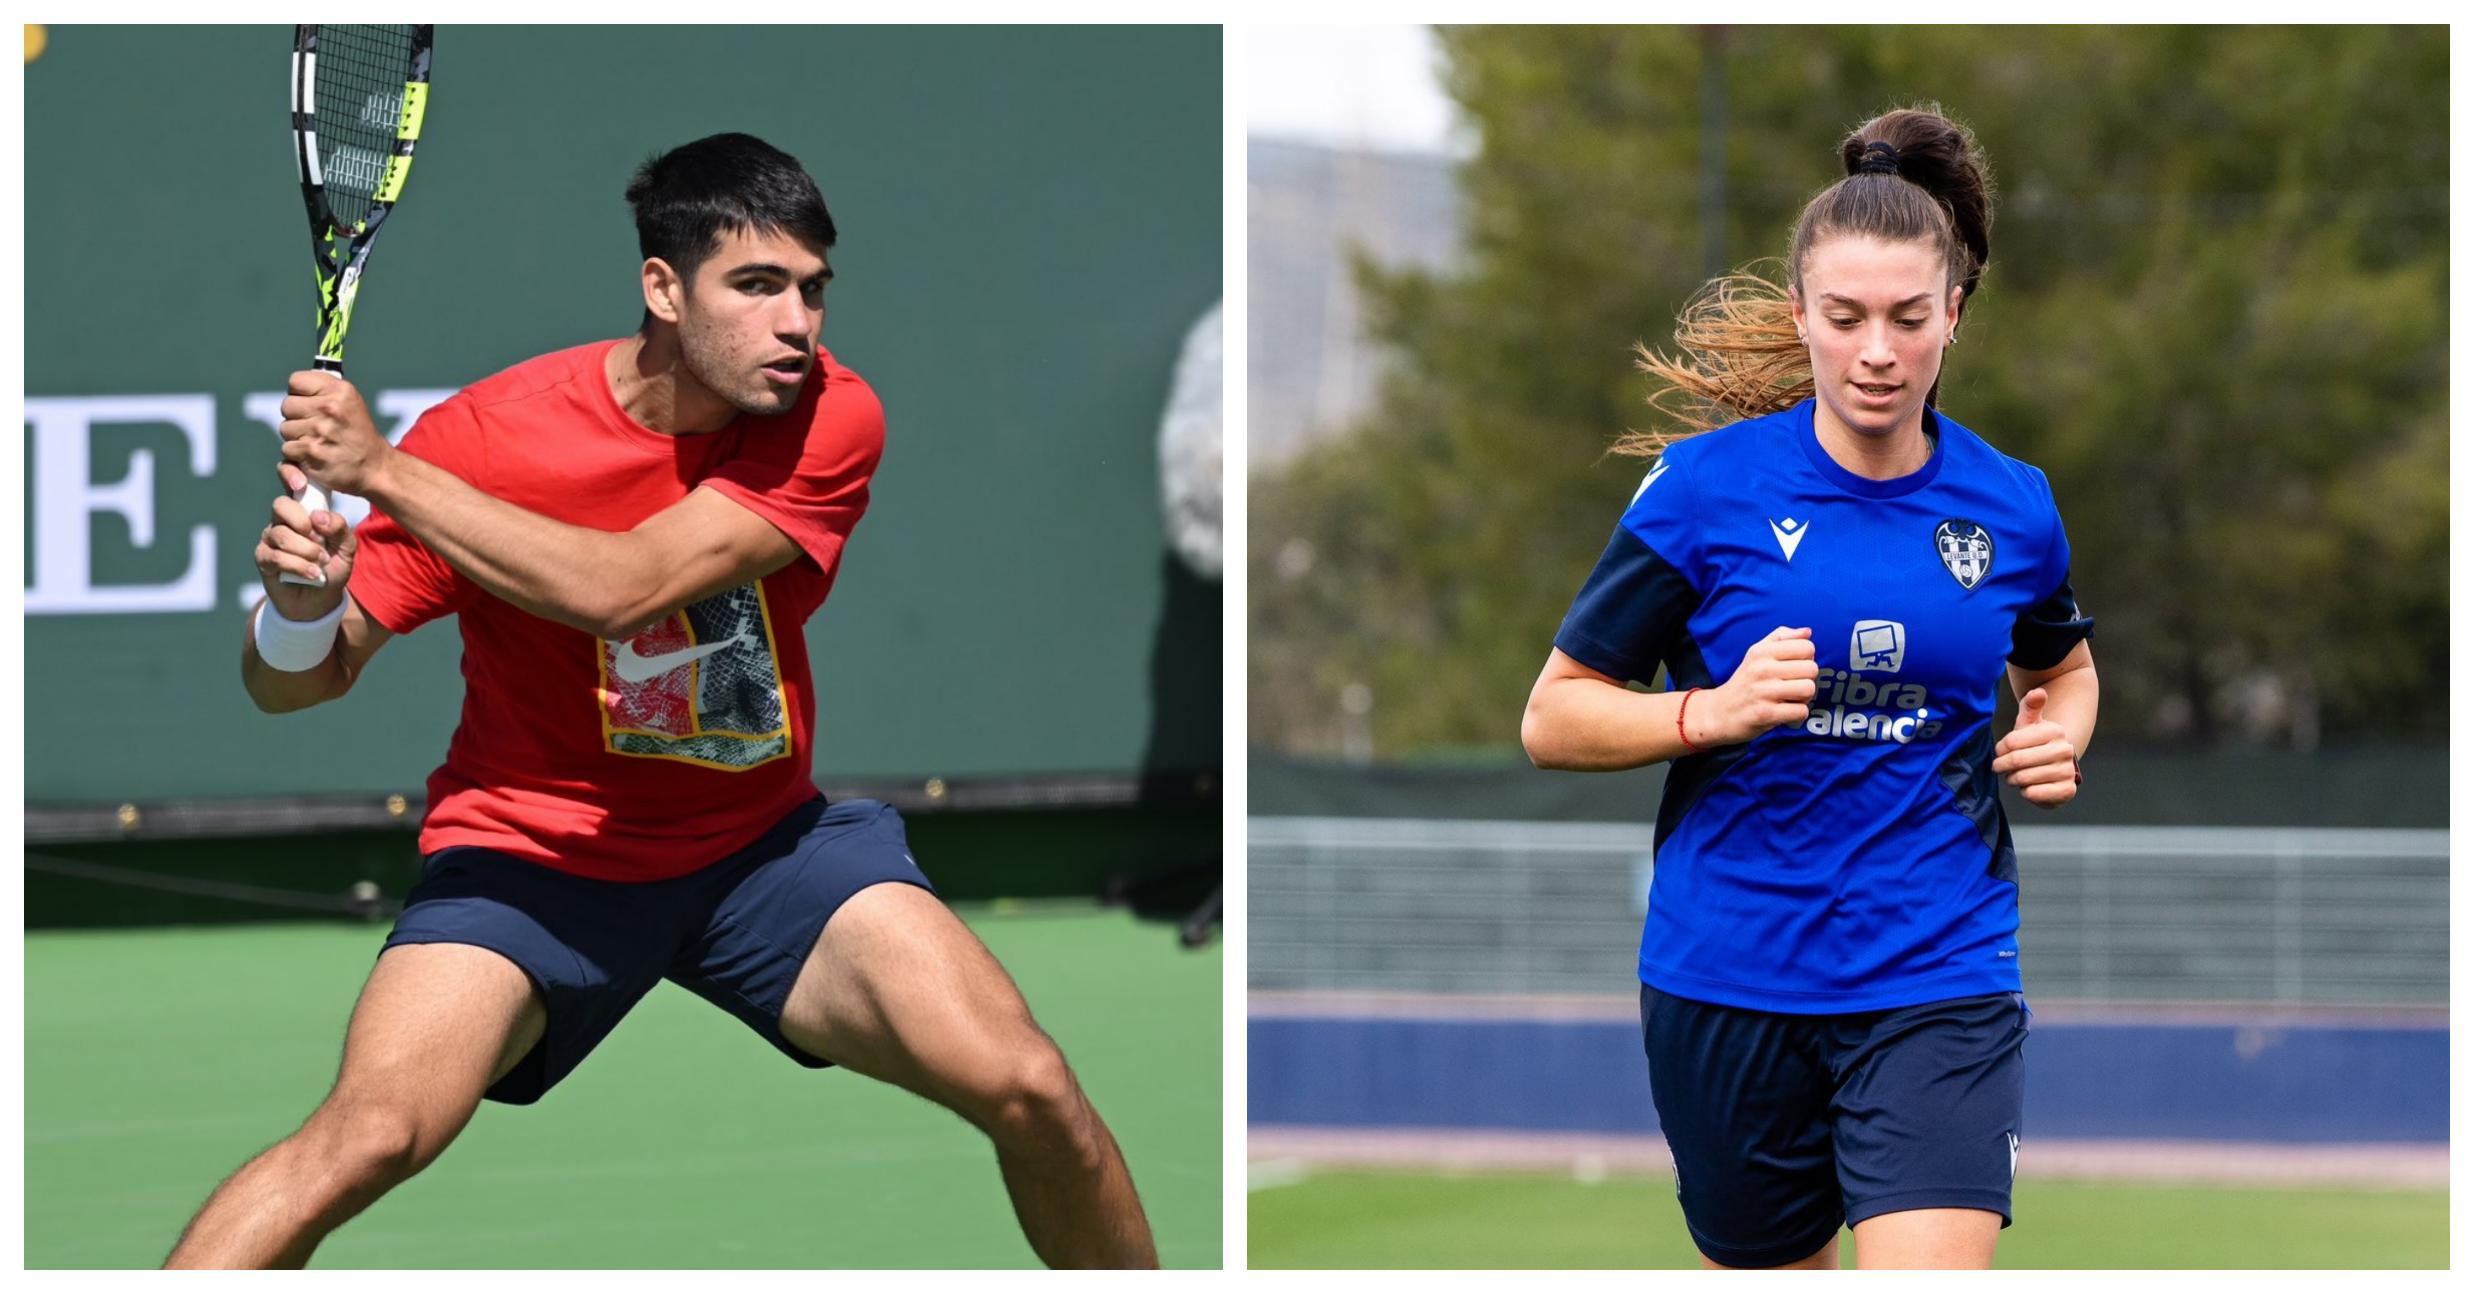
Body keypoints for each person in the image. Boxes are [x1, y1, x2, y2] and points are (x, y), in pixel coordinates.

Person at [167, 132, 1157, 1269]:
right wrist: (299, 603)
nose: (797, 323)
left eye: (812, 289)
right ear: (661, 288)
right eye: (756, 285)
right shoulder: (484, 442)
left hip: (762, 854)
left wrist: (382, 469)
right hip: (534, 864)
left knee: (1029, 1085)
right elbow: (296, 682)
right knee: (367, 1136)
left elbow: (622, 587)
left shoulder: (830, 415)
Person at [1521, 106, 2096, 1270]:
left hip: (1937, 961)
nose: (1874, 351)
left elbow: (2063, 669)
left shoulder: (2012, 505)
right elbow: (1552, 715)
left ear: (1952, 316)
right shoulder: (1699, 491)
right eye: (1842, 319)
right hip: (1727, 972)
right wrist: (1709, 711)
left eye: (1903, 318)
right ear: (1800, 317)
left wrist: (2058, 734)